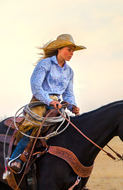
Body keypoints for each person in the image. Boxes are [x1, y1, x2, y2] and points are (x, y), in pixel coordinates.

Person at [6, 34, 85, 174]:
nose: (72, 53)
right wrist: (50, 101)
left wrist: (73, 105)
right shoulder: (45, 64)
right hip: (40, 102)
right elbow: (36, 86)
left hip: (58, 105)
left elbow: (68, 93)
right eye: (69, 49)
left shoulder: (69, 71)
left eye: (73, 50)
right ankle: (16, 158)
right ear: (59, 49)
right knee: (33, 126)